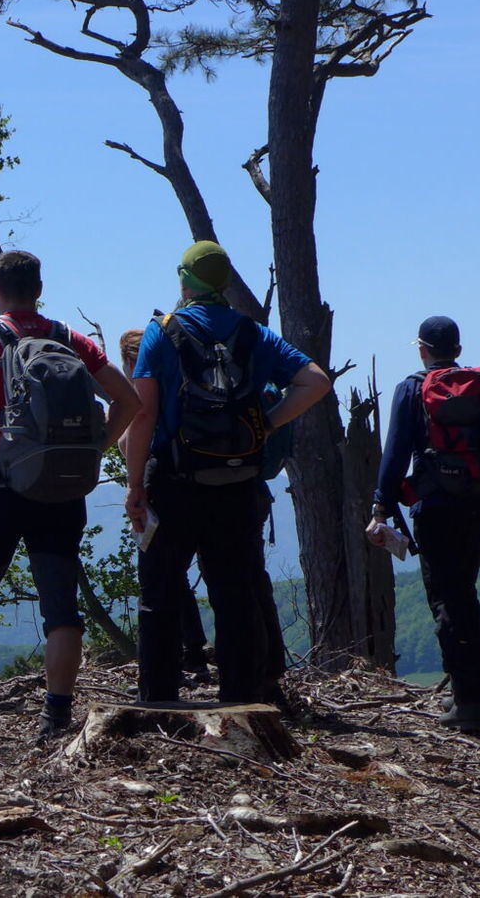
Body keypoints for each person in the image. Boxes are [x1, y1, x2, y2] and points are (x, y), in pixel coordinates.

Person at [0, 251, 140, 750]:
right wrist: (91, 451)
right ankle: (56, 722)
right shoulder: (69, 340)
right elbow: (129, 401)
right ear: (39, 289)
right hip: (61, 488)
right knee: (61, 608)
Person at [124, 242, 331, 708]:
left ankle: (158, 699)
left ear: (184, 280)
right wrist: (267, 422)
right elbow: (316, 381)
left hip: (175, 481)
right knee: (234, 594)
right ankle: (241, 699)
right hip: (237, 483)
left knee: (159, 592)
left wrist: (136, 486)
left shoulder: (161, 333)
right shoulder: (251, 332)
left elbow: (142, 416)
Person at [368, 315, 480, 734]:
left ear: (422, 349)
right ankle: (464, 692)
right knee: (463, 595)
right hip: (478, 506)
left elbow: (395, 452)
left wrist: (381, 505)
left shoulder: (412, 388)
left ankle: (467, 703)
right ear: (457, 349)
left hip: (434, 508)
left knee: (447, 601)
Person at [118, 328, 210, 682]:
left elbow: (129, 447)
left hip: (163, 489)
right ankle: (197, 654)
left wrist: (134, 485)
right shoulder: (180, 385)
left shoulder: (145, 391)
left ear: (131, 361)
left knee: (158, 582)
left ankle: (162, 677)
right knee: (193, 577)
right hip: (210, 485)